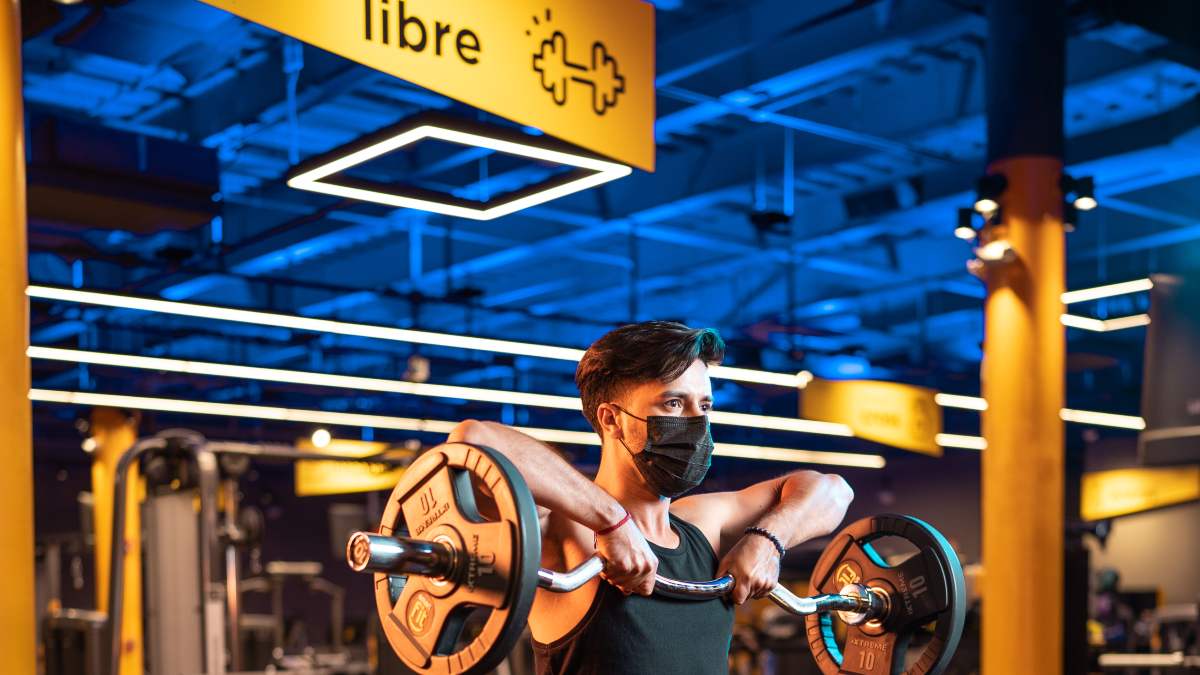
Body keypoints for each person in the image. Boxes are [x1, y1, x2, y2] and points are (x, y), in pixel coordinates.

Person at [449, 321, 854, 675]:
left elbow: (833, 491)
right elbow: (474, 439)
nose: (695, 423)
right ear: (612, 419)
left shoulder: (703, 525)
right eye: (674, 403)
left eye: (705, 406)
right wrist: (611, 521)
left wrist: (768, 540)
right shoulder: (561, 531)